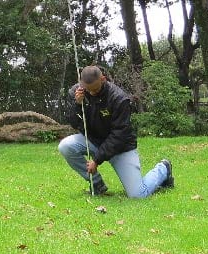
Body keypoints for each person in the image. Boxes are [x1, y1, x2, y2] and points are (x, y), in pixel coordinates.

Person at [58, 65, 174, 198]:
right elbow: (74, 123)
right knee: (65, 146)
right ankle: (97, 184)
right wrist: (78, 105)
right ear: (82, 83)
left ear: (103, 79)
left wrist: (96, 160)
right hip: (94, 141)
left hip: (121, 147)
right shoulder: (77, 92)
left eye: (95, 90)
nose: (92, 93)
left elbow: (119, 135)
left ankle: (163, 169)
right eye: (88, 90)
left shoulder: (119, 98)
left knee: (138, 195)